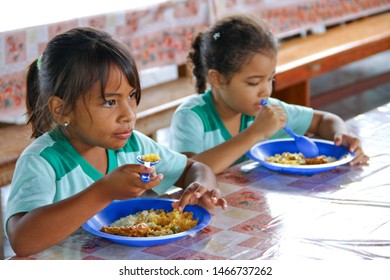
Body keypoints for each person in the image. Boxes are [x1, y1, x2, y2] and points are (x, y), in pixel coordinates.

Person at [4, 27, 227, 257]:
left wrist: (200, 188)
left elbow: (195, 167)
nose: (128, 114)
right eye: (110, 102)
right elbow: (22, 240)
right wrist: (103, 191)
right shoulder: (43, 162)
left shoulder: (134, 146)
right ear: (62, 110)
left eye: (131, 96)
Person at [170, 13, 369, 174]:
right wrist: (256, 133)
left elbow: (324, 119)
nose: (266, 89)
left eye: (270, 79)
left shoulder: (269, 111)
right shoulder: (191, 117)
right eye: (254, 82)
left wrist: (342, 135)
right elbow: (188, 171)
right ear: (217, 79)